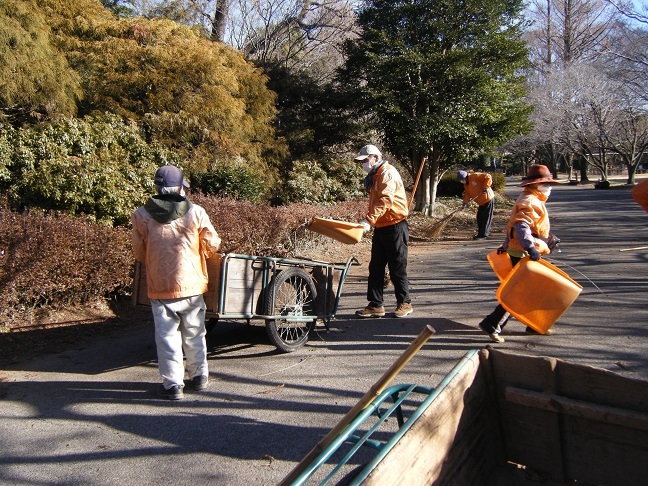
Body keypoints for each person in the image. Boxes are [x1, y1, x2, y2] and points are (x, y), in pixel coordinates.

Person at [132, 165, 221, 400]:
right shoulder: (196, 212)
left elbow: (139, 252)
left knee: (167, 337)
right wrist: (202, 254)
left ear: (157, 187)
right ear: (181, 188)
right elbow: (212, 244)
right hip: (192, 284)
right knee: (194, 332)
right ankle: (199, 377)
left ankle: (173, 385)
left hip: (160, 286)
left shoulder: (142, 215)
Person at [477, 164, 559, 343]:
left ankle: (534, 325)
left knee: (532, 290)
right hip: (523, 253)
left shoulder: (531, 199)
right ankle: (492, 323)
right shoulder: (530, 201)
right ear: (535, 184)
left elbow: (513, 228)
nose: (549, 187)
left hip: (522, 250)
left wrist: (507, 245)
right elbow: (520, 227)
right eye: (546, 184)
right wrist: (530, 247)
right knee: (519, 292)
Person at [354, 144, 413, 318]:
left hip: (395, 226)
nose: (364, 164)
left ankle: (405, 303)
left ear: (376, 158)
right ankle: (375, 305)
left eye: (365, 160)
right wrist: (372, 221)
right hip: (381, 227)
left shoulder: (387, 173)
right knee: (376, 267)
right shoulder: (376, 175)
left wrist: (368, 220)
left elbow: (385, 201)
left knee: (397, 267)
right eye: (362, 161)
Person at [457, 170, 495, 239]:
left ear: (466, 177)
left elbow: (488, 176)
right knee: (479, 217)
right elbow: (467, 194)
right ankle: (480, 233)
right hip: (481, 202)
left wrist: (485, 187)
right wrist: (464, 203)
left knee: (485, 218)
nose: (461, 181)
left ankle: (483, 235)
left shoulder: (474, 176)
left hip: (487, 198)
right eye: (460, 180)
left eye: (462, 180)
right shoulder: (466, 185)